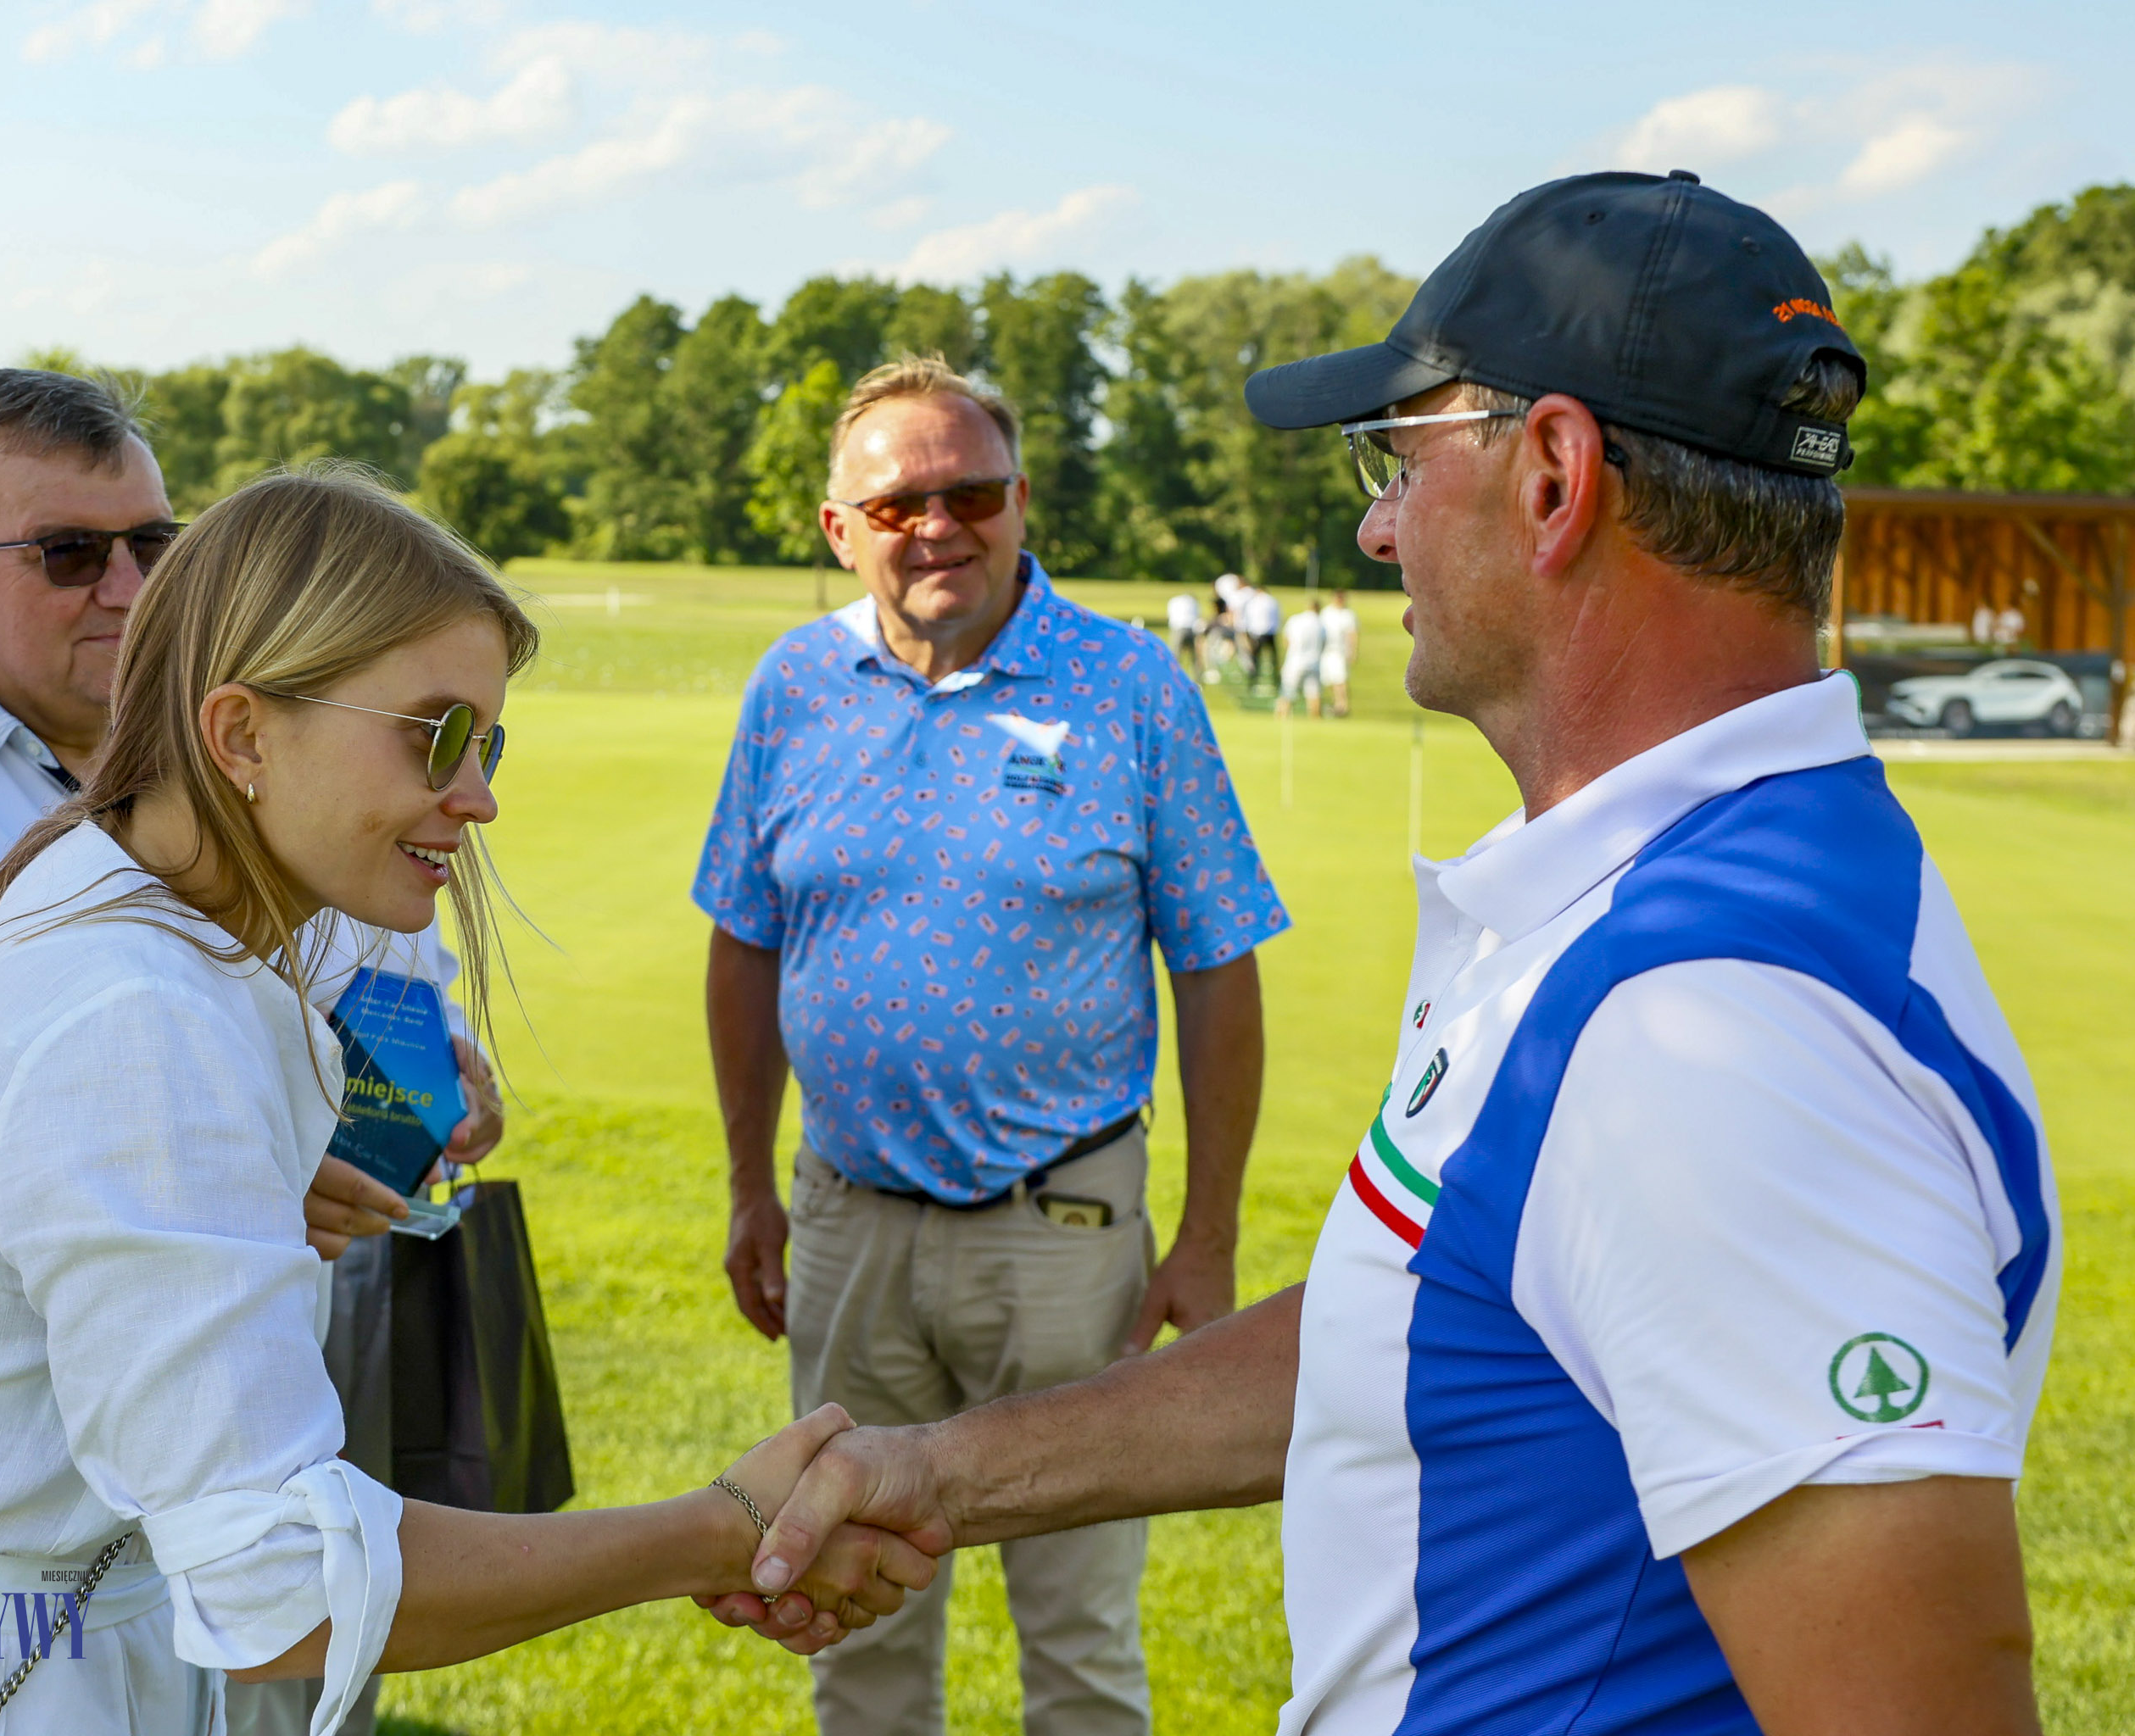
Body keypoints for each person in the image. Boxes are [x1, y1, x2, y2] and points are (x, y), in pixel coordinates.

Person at [713, 173, 2056, 1736]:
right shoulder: (1654, 905)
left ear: (1553, 476)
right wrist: (938, 1468)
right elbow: (1416, 1333)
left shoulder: (1711, 1032)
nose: (1372, 521)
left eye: (1398, 457)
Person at [0, 466, 934, 1735]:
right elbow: (279, 1588)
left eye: (490, 740)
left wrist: (234, 1194)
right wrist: (710, 1533)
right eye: (434, 735)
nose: (478, 797)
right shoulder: (142, 1014)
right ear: (241, 734)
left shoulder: (106, 881)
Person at [0, 369, 498, 1736]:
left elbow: (389, 998)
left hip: (165, 1525)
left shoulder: (180, 782)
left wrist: (419, 1092)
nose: (127, 586)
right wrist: (208, 1183)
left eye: (154, 543)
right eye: (70, 553)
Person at [695, 358, 1290, 1736]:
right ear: (838, 527)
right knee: (851, 1608)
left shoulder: (1130, 686)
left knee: (1075, 1623)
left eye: (971, 492)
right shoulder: (793, 685)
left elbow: (1215, 962)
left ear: (1021, 504)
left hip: (1064, 1221)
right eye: (899, 501)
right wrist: (748, 1183)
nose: (938, 524)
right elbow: (744, 939)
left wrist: (1203, 1234)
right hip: (847, 1217)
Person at [1275, 594, 1324, 717]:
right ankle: (1316, 723)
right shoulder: (1321, 624)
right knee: (1314, 694)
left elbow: (1286, 640)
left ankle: (1281, 718)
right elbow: (1324, 644)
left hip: (1295, 662)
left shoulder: (1295, 619)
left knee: (1287, 694)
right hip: (1314, 663)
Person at [1316, 586, 1358, 717]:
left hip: (1339, 651)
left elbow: (1352, 634)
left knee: (1340, 680)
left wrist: (1353, 651)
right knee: (1329, 680)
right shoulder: (1326, 613)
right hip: (1326, 651)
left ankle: (1343, 705)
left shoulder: (1348, 615)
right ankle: (1336, 704)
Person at [1236, 580, 1283, 687]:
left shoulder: (1254, 602)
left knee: (1256, 659)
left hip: (1257, 633)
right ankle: (1276, 681)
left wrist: (1247, 633)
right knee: (1273, 659)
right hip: (1271, 633)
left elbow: (1248, 618)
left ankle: (1253, 680)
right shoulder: (1273, 601)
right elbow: (1278, 617)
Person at [1164, 588, 1203, 676]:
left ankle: (1173, 675)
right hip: (1192, 628)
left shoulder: (1174, 600)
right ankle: (1198, 677)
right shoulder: (1194, 602)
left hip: (1178, 628)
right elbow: (1198, 616)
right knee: (1195, 657)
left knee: (1176, 655)